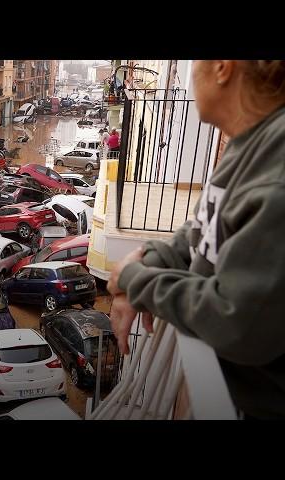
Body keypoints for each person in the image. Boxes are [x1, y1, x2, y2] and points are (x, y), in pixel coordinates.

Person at [106, 60, 285, 419]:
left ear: (222, 67)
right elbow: (200, 230)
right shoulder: (249, 141)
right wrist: (148, 263)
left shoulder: (275, 170)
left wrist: (134, 279)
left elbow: (238, 322)